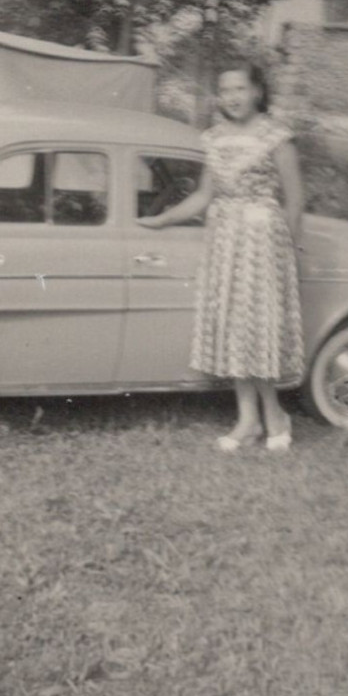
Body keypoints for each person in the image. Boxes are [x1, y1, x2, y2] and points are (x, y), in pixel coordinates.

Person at [137, 61, 305, 452]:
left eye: (240, 89)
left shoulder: (277, 137)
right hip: (226, 241)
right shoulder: (212, 138)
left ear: (257, 92)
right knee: (233, 329)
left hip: (264, 244)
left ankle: (275, 414)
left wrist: (292, 255)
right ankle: (248, 420)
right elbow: (202, 196)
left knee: (257, 329)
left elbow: (295, 202)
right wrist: (161, 220)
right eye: (226, 90)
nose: (232, 97)